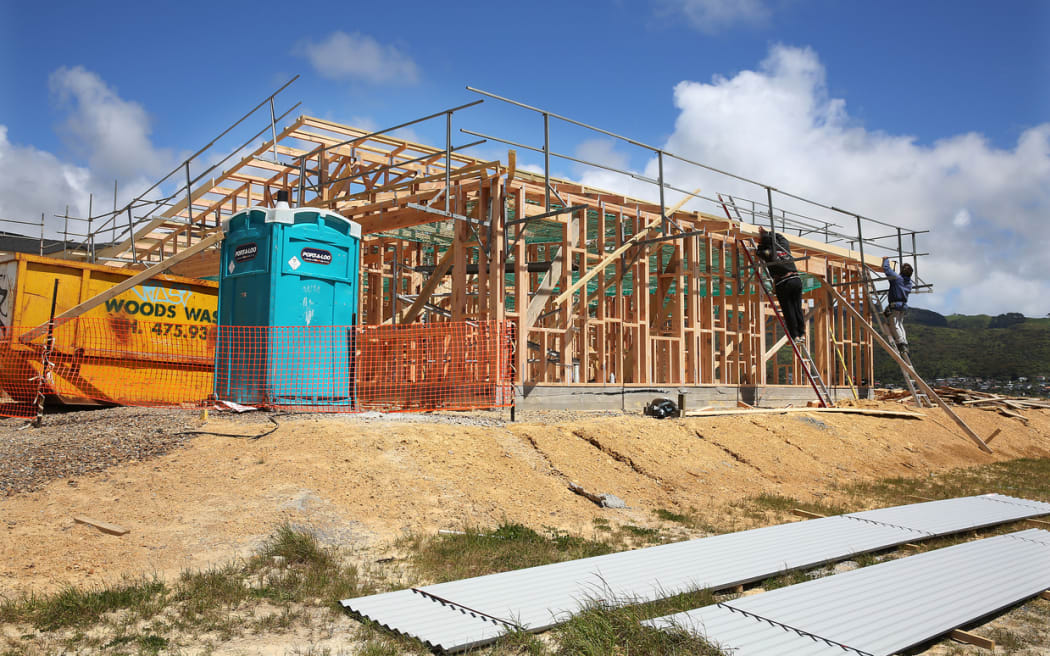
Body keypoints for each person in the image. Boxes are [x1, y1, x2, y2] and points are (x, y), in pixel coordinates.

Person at [756, 227, 806, 348]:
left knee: (789, 311)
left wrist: (761, 239)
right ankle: (802, 334)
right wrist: (767, 233)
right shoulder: (784, 245)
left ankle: (795, 336)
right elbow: (781, 237)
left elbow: (758, 252)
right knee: (797, 308)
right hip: (796, 280)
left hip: (784, 283)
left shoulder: (768, 253)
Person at [883, 257, 914, 356]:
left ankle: (901, 343)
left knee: (895, 324)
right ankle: (904, 342)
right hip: (903, 306)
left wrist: (886, 260)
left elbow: (887, 270)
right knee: (900, 324)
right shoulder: (909, 283)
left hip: (895, 305)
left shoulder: (897, 279)